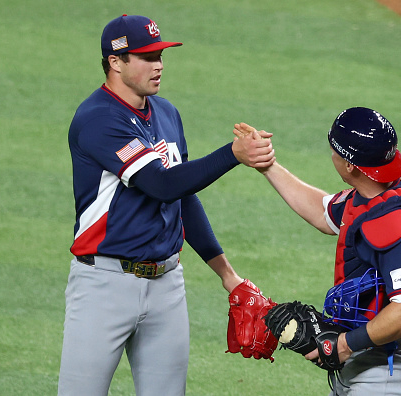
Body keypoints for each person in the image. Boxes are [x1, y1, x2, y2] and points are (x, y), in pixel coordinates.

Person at [59, 14, 275, 396]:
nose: (158, 64)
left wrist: (228, 275)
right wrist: (233, 154)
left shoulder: (166, 114)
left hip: (166, 286)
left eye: (160, 54)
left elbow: (181, 194)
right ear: (116, 62)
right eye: (146, 56)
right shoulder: (98, 120)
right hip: (104, 286)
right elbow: (160, 184)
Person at [234, 107, 401, 395]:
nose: (332, 156)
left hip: (392, 369)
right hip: (371, 359)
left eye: (335, 152)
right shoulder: (378, 193)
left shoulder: (391, 223)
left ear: (351, 165)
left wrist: (344, 344)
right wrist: (268, 165)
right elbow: (323, 212)